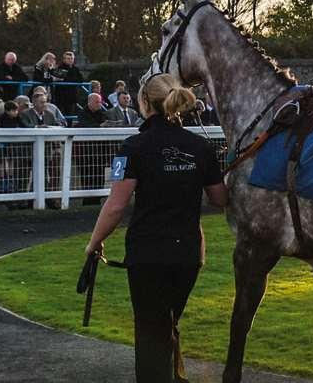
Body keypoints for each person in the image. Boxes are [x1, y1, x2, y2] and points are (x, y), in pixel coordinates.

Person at [84, 73, 228, 383]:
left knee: (151, 330)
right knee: (167, 322)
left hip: (148, 253)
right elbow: (220, 198)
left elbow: (116, 206)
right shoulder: (200, 146)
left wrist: (94, 242)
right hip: (189, 253)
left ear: (145, 102)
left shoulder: (134, 146)